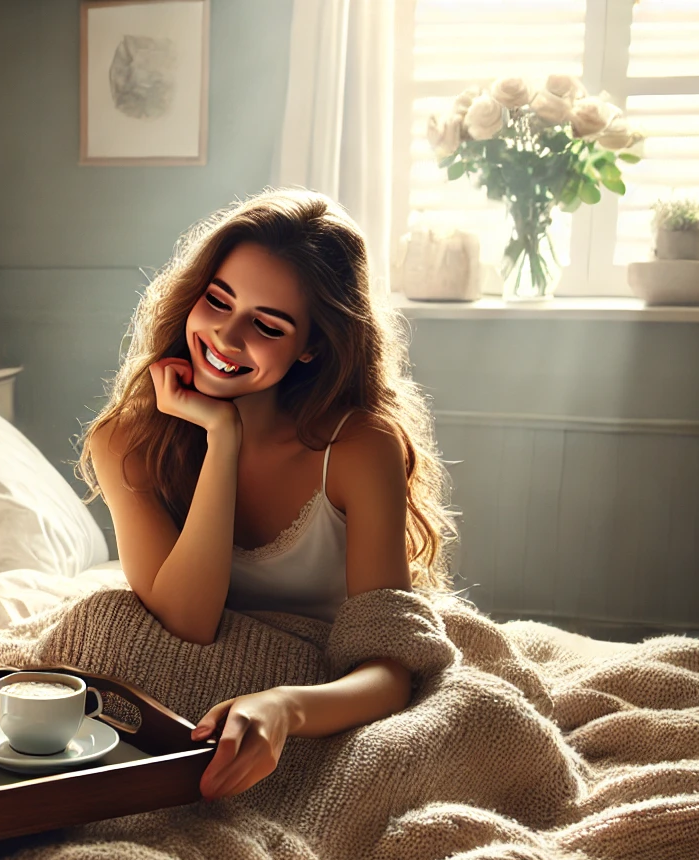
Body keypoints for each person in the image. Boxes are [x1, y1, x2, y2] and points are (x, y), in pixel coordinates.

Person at [81, 189, 456, 803]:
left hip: (324, 696)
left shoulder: (359, 447)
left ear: (311, 344)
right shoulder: (126, 441)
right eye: (218, 301)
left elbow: (390, 673)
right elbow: (189, 623)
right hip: (204, 684)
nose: (225, 337)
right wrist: (222, 440)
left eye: (266, 325)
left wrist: (284, 708)